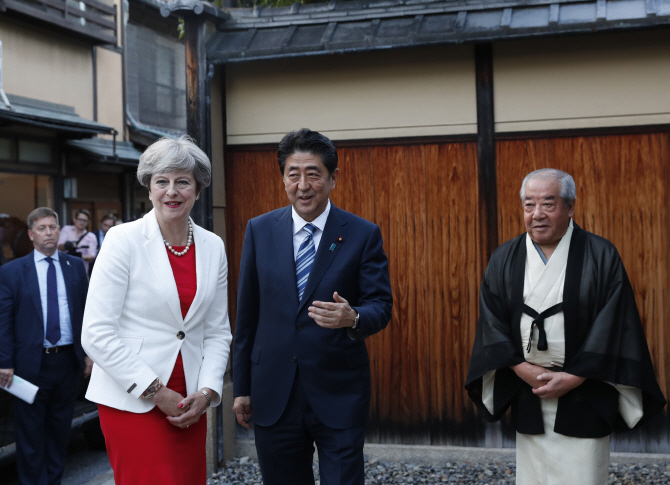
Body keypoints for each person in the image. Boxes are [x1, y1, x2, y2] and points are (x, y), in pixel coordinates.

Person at [465, 168, 666, 485]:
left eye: (548, 203)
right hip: (529, 386)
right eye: (529, 205)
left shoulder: (601, 255)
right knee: (534, 475)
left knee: (582, 473)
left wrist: (574, 376)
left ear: (570, 207)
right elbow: (492, 320)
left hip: (585, 388)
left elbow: (615, 323)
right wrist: (519, 367)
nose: (537, 214)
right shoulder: (505, 257)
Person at [232, 128, 393, 485]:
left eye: (313, 174)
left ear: (333, 178)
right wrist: (241, 386)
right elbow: (247, 316)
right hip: (273, 389)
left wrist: (353, 317)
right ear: (283, 178)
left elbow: (381, 305)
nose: (302, 185)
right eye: (294, 174)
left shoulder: (361, 233)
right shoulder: (260, 230)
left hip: (339, 390)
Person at [81, 136, 232, 485]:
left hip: (189, 402)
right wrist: (157, 393)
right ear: (149, 189)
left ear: (198, 188)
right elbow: (96, 333)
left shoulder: (213, 246)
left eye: (183, 181)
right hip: (133, 399)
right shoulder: (123, 240)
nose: (171, 191)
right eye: (161, 181)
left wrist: (208, 393)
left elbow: (218, 330)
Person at [0, 207, 92, 485]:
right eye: (42, 228)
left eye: (53, 227)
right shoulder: (12, 271)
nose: (49, 233)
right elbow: (4, 321)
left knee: (60, 429)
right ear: (31, 234)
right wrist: (5, 362)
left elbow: (87, 313)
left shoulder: (74, 266)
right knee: (29, 432)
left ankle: (53, 481)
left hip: (66, 362)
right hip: (29, 365)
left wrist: (88, 354)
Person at [57, 209, 98, 273]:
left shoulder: (91, 236)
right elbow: (58, 246)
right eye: (80, 219)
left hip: (81, 270)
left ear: (87, 222)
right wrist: (67, 246)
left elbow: (92, 256)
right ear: (74, 219)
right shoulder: (66, 230)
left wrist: (81, 256)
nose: (82, 222)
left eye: (85, 221)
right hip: (64, 268)